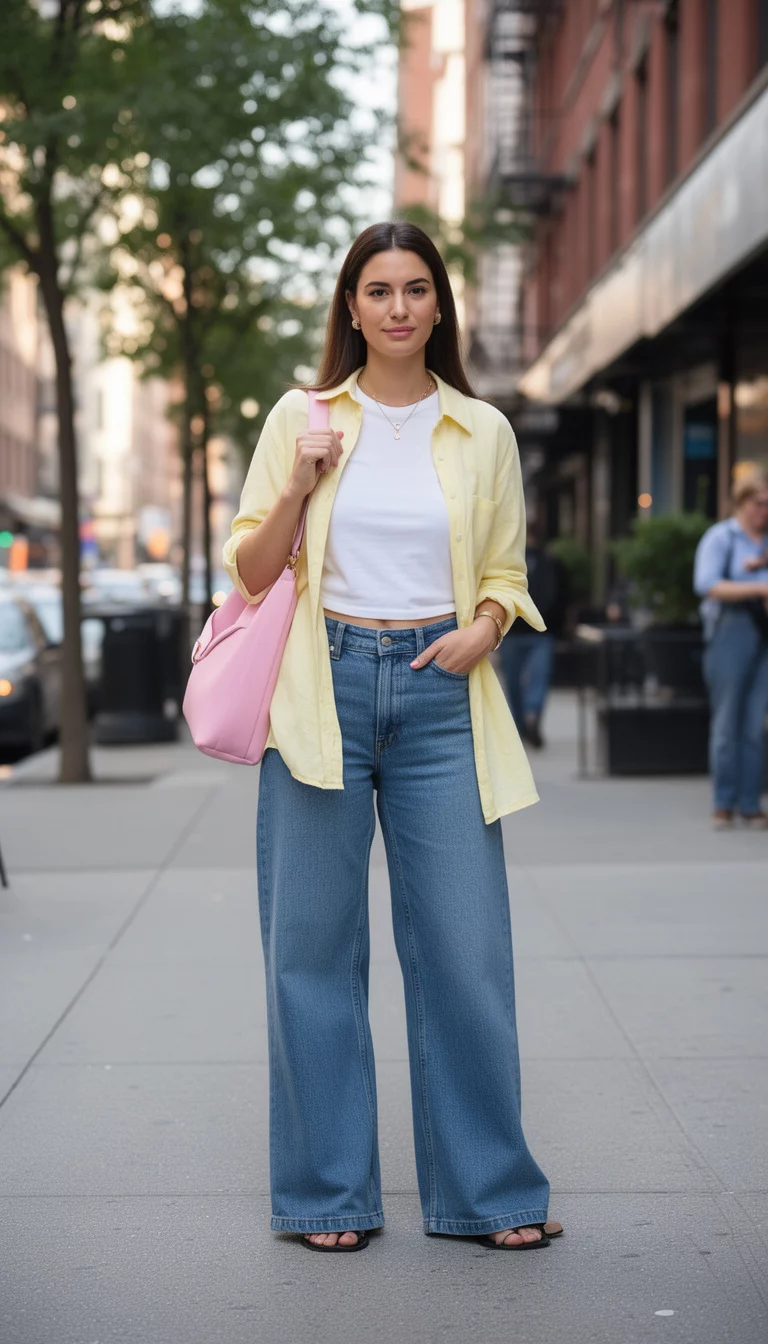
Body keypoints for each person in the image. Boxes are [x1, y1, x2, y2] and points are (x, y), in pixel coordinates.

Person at [223, 221, 562, 1254]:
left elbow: (507, 571)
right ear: (351, 306)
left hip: (438, 695)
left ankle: (490, 1192)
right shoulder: (304, 416)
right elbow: (249, 570)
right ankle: (328, 1195)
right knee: (311, 954)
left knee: (465, 952)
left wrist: (486, 627)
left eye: (418, 289)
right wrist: (299, 480)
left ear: (439, 306)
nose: (401, 308)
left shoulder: (482, 430)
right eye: (380, 290)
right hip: (320, 689)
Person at [693, 470, 768, 829]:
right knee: (727, 723)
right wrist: (758, 590)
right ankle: (723, 802)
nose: (764, 511)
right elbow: (706, 583)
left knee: (755, 725)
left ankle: (751, 804)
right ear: (742, 503)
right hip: (730, 631)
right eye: (758, 504)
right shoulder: (721, 537)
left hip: (763, 634)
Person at [498, 523, 565, 748]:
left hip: (515, 631)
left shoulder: (509, 561)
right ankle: (530, 717)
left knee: (516, 681)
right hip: (537, 630)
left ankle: (524, 723)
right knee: (538, 678)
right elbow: (559, 595)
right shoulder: (549, 561)